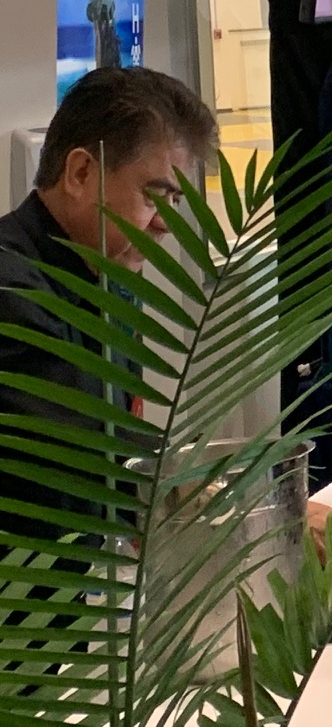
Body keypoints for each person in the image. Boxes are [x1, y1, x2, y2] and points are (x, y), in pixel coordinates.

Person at [0, 68, 217, 539]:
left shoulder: (111, 283)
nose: (166, 225)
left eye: (176, 203)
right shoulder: (11, 291)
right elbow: (105, 459)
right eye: (155, 196)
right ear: (80, 173)